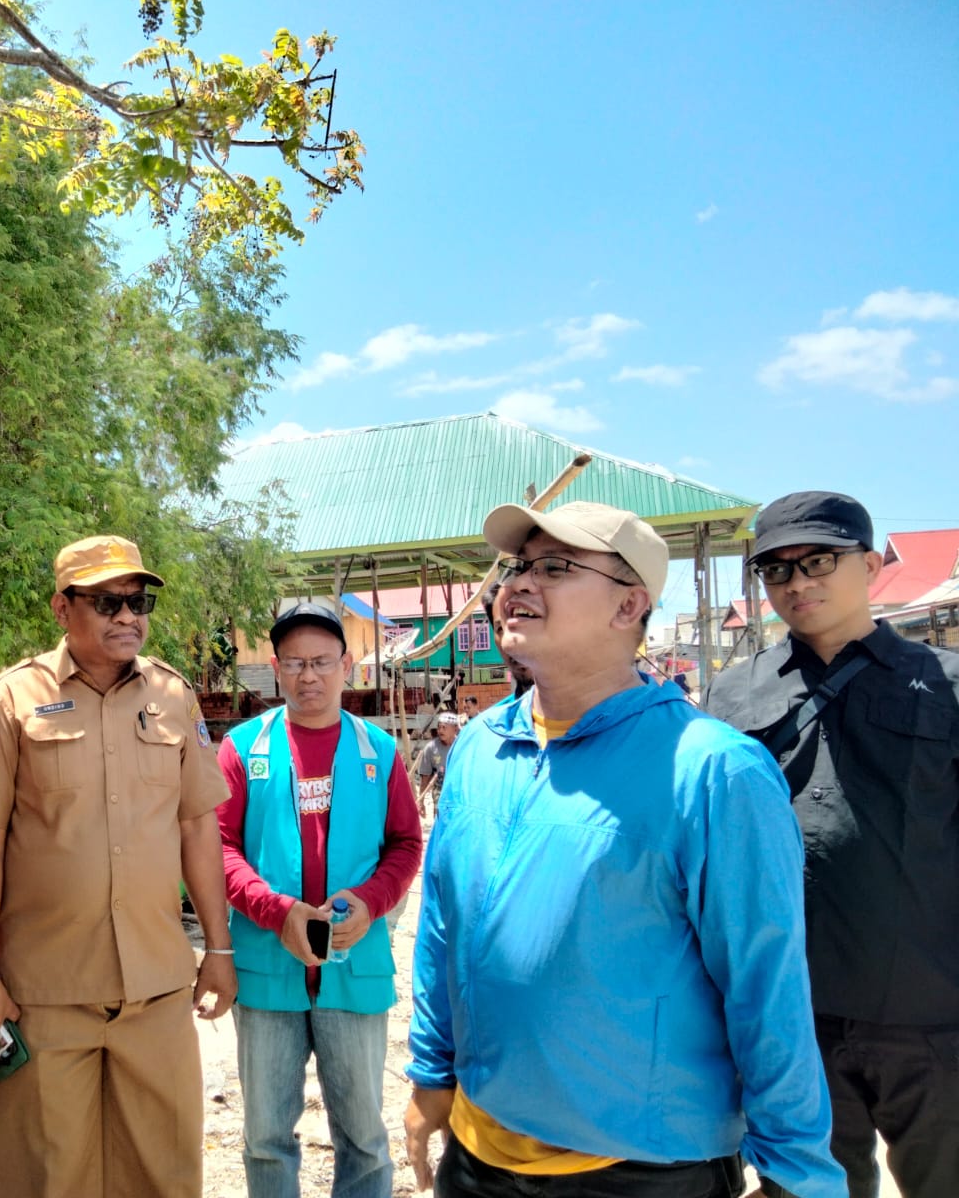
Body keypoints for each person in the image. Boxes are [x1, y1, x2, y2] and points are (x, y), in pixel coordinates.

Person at [403, 500, 844, 1198]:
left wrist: (796, 1174)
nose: (517, 584)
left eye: (555, 567)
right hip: (477, 1150)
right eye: (519, 567)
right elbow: (443, 926)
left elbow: (768, 985)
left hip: (641, 1172)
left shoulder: (712, 771)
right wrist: (431, 1075)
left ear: (629, 606)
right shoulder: (481, 748)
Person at [0, 534, 236, 1198]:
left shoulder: (172, 695)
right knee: (49, 1177)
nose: (128, 616)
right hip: (43, 992)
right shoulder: (10, 699)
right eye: (107, 602)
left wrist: (218, 947)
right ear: (61, 608)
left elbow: (197, 826)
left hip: (156, 988)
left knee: (163, 1176)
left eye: (139, 601)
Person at [703, 491, 959, 1198]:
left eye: (819, 561)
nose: (798, 583)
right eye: (777, 571)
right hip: (790, 1014)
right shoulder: (733, 695)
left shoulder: (947, 688)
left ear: (871, 564)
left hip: (931, 1014)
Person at [217, 602, 423, 1198]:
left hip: (354, 967)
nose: (309, 676)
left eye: (322, 662)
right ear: (276, 669)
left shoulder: (377, 753)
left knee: (362, 1139)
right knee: (265, 1140)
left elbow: (407, 844)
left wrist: (371, 900)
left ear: (348, 665)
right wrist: (274, 911)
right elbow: (220, 848)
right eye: (295, 663)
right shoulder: (242, 749)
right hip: (266, 970)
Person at [413, 713, 459, 819]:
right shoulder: (430, 748)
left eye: (444, 727)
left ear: (455, 729)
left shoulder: (462, 745)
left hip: (459, 788)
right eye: (439, 727)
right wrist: (421, 801)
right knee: (440, 818)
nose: (440, 731)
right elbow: (425, 777)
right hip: (440, 789)